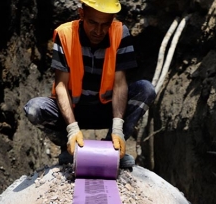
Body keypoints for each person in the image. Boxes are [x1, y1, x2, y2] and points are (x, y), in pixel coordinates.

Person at [23, 0, 156, 168]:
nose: (98, 31)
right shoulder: (65, 35)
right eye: (93, 23)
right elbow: (61, 86)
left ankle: (113, 148)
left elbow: (120, 84)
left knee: (146, 90)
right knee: (35, 109)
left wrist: (117, 128)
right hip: (73, 109)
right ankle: (69, 147)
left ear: (112, 19)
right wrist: (72, 128)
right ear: (81, 14)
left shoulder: (120, 33)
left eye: (105, 24)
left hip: (106, 108)